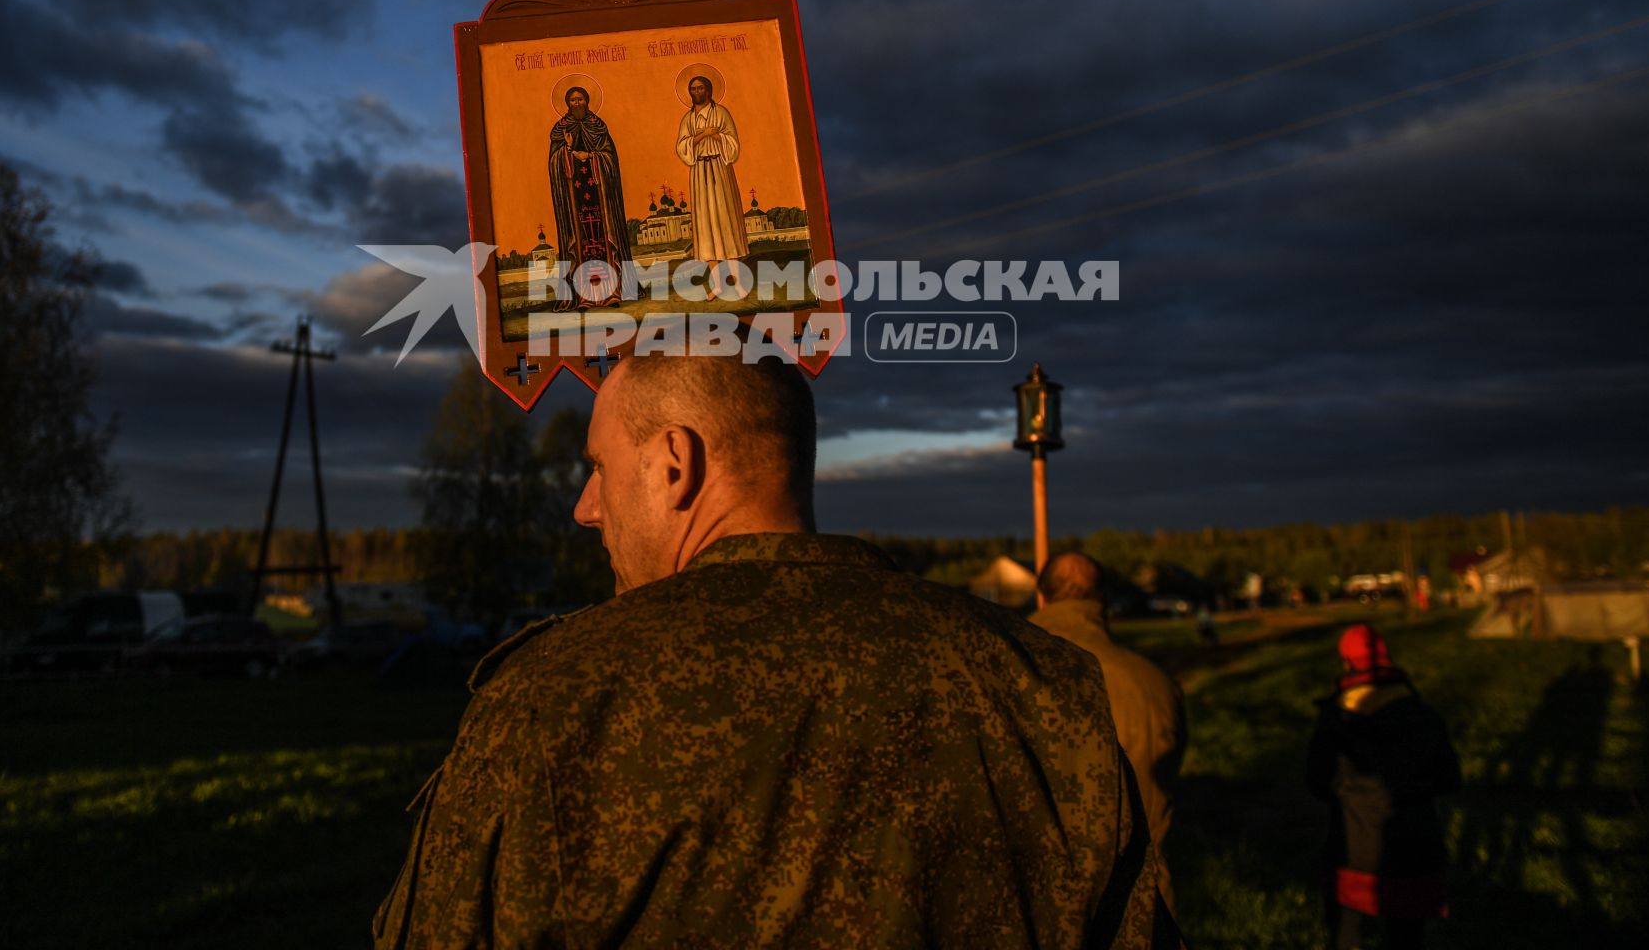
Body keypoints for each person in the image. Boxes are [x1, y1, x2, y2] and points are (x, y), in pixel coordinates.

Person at [374, 352, 1178, 949]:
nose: (587, 507)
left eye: (599, 468)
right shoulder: (1041, 682)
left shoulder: (552, 695)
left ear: (675, 464)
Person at [1030, 551, 1189, 911]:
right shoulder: (1153, 683)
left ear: (1044, 596)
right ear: (1101, 598)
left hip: (1039, 909)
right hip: (1140, 910)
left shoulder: (999, 667)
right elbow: (1165, 781)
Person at [1305, 623, 1461, 950]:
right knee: (1406, 936)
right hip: (1415, 848)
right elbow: (1449, 778)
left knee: (1347, 931)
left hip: (1352, 849)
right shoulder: (1424, 715)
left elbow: (1316, 781)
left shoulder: (1336, 720)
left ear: (1347, 663)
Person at [548, 83, 632, 308]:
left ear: (587, 101)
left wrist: (593, 157)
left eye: (581, 99)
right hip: (574, 199)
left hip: (601, 195)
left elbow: (610, 158)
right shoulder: (560, 129)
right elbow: (554, 162)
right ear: (567, 104)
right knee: (580, 244)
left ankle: (613, 293)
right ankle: (583, 297)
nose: (577, 104)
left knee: (605, 240)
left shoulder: (598, 126)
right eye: (573, 100)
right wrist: (567, 153)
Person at [673, 72, 749, 267]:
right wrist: (703, 135)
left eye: (700, 88)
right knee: (705, 224)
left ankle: (738, 280)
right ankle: (717, 284)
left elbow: (733, 144)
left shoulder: (721, 113)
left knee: (726, 219)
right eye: (693, 89)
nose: (697, 91)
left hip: (720, 168)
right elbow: (682, 146)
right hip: (699, 171)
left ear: (708, 90)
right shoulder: (688, 119)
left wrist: (716, 137)